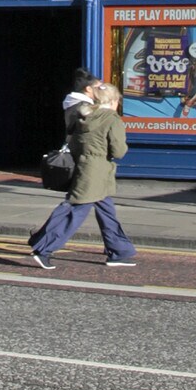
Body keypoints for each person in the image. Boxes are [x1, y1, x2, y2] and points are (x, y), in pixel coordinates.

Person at [28, 80, 137, 269]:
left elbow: (74, 144)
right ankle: (43, 248)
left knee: (106, 211)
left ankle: (119, 251)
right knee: (73, 210)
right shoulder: (112, 119)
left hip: (86, 167)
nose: (118, 104)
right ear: (112, 101)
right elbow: (118, 151)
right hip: (97, 171)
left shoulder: (84, 117)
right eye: (117, 101)